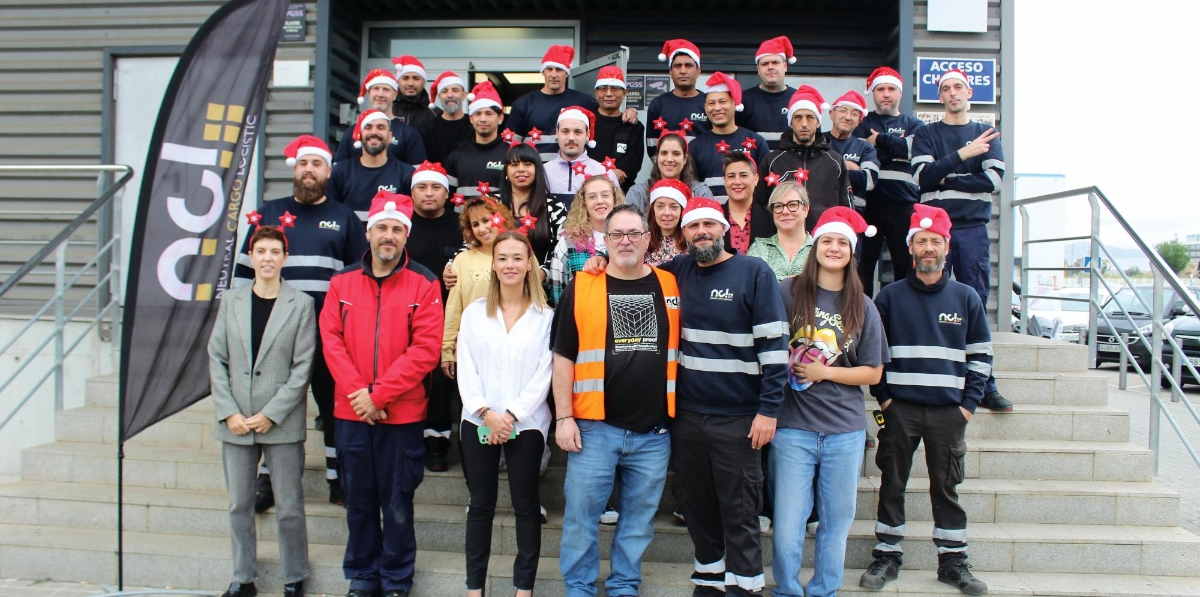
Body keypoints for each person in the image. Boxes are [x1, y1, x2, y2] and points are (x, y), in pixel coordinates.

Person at [860, 203, 993, 596]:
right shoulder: (889, 297)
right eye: (922, 240)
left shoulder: (967, 297)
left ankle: (952, 561)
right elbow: (874, 353)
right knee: (892, 483)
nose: (929, 247)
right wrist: (884, 400)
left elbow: (982, 356)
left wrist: (968, 406)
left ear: (947, 247)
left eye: (936, 241)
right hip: (899, 410)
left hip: (949, 413)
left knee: (946, 486)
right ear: (911, 247)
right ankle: (887, 555)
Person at [552, 203, 680, 597]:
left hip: (654, 431)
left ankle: (624, 585)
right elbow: (562, 357)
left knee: (639, 521)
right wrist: (563, 418)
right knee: (580, 517)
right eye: (617, 234)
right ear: (604, 242)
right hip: (594, 428)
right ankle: (579, 587)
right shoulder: (583, 284)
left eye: (634, 234)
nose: (626, 241)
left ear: (647, 239)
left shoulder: (671, 284)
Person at [320, 191, 444, 597]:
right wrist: (360, 393)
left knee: (396, 503)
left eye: (396, 229)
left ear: (406, 236)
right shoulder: (340, 283)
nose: (388, 236)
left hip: (401, 416)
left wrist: (380, 396)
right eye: (381, 228)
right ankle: (362, 575)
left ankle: (395, 578)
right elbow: (331, 342)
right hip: (351, 412)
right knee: (357, 500)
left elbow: (425, 350)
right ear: (368, 232)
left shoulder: (424, 283)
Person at [233, 136, 367, 508]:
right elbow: (246, 275)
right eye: (304, 163)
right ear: (295, 168)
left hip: (328, 333)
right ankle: (268, 481)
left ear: (329, 171)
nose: (310, 170)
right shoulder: (268, 213)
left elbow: (357, 280)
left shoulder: (345, 218)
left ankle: (337, 478)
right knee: (274, 404)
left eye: (317, 164)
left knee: (332, 407)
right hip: (275, 331)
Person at [665, 197, 789, 597]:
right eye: (692, 226)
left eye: (709, 225)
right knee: (697, 506)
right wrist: (599, 263)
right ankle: (709, 581)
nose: (701, 232)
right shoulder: (676, 272)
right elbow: (628, 274)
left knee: (739, 510)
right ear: (683, 234)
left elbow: (774, 348)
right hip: (686, 416)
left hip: (738, 418)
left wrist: (768, 411)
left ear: (725, 229)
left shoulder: (753, 271)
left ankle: (747, 586)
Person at [771, 207, 888, 597]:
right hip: (792, 427)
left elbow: (873, 373)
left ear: (851, 252)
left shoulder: (863, 305)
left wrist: (826, 373)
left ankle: (823, 590)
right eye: (827, 241)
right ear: (814, 245)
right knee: (788, 520)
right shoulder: (787, 291)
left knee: (836, 521)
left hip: (844, 431)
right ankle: (787, 589)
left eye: (842, 242)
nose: (834, 248)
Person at [210, 223, 314, 597]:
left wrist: (272, 412)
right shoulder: (230, 302)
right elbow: (216, 358)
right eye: (261, 251)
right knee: (239, 503)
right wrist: (228, 411)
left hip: (280, 422)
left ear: (284, 258)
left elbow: (303, 367)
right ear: (251, 257)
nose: (268, 258)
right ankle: (243, 577)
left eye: (275, 252)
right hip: (236, 421)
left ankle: (294, 576)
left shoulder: (300, 304)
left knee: (288, 505)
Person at [457, 230, 553, 597]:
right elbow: (466, 368)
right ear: (493, 265)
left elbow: (544, 372)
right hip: (477, 419)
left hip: (526, 424)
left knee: (526, 504)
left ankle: (523, 588)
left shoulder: (545, 317)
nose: (510, 264)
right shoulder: (474, 313)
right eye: (502, 258)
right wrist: (485, 411)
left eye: (517, 257)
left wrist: (510, 414)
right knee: (480, 504)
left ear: (529, 263)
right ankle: (474, 587)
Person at [910, 68, 1011, 412]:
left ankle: (985, 385)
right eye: (946, 88)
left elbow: (993, 181)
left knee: (975, 306)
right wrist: (966, 157)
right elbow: (923, 179)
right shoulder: (926, 133)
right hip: (933, 232)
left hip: (970, 230)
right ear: (939, 96)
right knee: (925, 300)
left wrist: (946, 175)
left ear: (969, 93)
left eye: (959, 87)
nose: (953, 93)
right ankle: (926, 374)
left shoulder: (987, 133)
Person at [404, 161, 464, 472]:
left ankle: (438, 444)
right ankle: (410, 439)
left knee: (440, 382)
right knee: (409, 380)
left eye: (436, 187)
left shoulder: (460, 225)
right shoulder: (400, 224)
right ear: (411, 192)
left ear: (447, 192)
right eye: (422, 187)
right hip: (403, 315)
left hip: (447, 317)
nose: (429, 194)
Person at [854, 66, 924, 296]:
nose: (886, 94)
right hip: (868, 207)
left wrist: (879, 139)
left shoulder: (914, 124)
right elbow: (859, 154)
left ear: (900, 93)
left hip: (904, 207)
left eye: (891, 89)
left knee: (905, 268)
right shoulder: (862, 123)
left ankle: (901, 319)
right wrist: (896, 146)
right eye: (880, 89)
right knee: (862, 268)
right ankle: (862, 321)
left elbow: (916, 148)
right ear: (872, 94)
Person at [442, 197, 517, 390]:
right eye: (475, 224)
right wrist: (447, 350)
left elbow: (536, 299)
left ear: (501, 218)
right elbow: (454, 308)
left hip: (515, 350)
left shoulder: (522, 253)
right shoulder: (462, 260)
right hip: (472, 352)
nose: (482, 228)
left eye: (486, 220)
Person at [754, 85, 849, 235]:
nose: (804, 123)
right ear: (790, 122)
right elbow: (759, 207)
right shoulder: (772, 161)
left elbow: (846, 208)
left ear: (818, 122)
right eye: (798, 117)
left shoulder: (834, 161)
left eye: (810, 117)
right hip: (781, 243)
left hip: (823, 242)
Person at [506, 45, 601, 160]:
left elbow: (610, 117)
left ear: (566, 73)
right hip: (535, 174)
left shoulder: (584, 101)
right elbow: (510, 146)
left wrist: (629, 111)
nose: (554, 75)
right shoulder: (523, 104)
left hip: (574, 172)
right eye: (549, 69)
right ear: (543, 72)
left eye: (559, 69)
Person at [689, 72, 768, 204]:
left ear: (734, 103)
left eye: (723, 101)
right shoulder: (695, 146)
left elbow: (766, 186)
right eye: (711, 103)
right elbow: (691, 187)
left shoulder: (757, 142)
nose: (717, 108)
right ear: (705, 107)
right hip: (709, 217)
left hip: (749, 219)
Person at [547, 175, 625, 306]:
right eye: (592, 197)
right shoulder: (568, 243)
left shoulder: (629, 238)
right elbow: (557, 294)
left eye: (605, 195)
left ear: (615, 200)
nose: (599, 201)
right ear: (584, 204)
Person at [498, 142, 568, 285]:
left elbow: (562, 247)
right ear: (506, 171)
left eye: (528, 164)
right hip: (495, 283)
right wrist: (452, 264)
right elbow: (471, 241)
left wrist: (544, 272)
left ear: (537, 170)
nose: (521, 169)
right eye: (514, 165)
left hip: (541, 286)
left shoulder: (555, 207)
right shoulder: (491, 204)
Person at [328, 109, 416, 223]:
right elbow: (330, 215)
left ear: (390, 137)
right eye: (368, 127)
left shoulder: (406, 174)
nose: (374, 132)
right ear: (360, 135)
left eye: (380, 127)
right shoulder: (340, 172)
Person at [334, 69, 425, 166]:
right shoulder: (352, 132)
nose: (380, 94)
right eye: (376, 88)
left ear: (395, 95)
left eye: (386, 89)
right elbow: (339, 169)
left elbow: (416, 172)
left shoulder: (409, 133)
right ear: (369, 94)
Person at [645, 39, 710, 157]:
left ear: (698, 71)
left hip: (701, 173)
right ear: (670, 72)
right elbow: (652, 145)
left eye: (689, 65)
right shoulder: (658, 104)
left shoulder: (709, 103)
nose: (683, 71)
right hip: (668, 172)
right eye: (677, 66)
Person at [544, 105, 619, 205]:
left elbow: (615, 212)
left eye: (577, 132)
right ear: (557, 133)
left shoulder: (603, 173)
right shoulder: (542, 172)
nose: (571, 137)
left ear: (587, 135)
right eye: (565, 131)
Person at [445, 81, 508, 198]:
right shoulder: (456, 156)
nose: (483, 119)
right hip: (462, 216)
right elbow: (447, 197)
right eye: (478, 114)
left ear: (500, 118)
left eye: (489, 114)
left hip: (499, 216)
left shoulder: (511, 154)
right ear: (471, 119)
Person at [587, 65, 644, 192]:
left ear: (624, 93)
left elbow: (633, 164)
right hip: (588, 189)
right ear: (596, 93)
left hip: (622, 191)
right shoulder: (585, 122)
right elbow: (582, 158)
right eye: (603, 89)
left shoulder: (634, 127)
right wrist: (609, 174)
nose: (608, 94)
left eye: (615, 89)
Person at [624, 131, 713, 212]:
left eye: (676, 154)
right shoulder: (638, 193)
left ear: (685, 159)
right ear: (657, 157)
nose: (669, 159)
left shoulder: (700, 192)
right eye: (664, 153)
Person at [738, 37, 798, 150]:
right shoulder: (743, 100)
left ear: (785, 66)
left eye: (775, 62)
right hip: (756, 165)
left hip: (791, 166)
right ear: (758, 69)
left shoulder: (799, 98)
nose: (770, 67)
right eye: (765, 64)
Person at [827, 91, 880, 214]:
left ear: (859, 121)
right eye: (843, 110)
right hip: (820, 209)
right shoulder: (817, 141)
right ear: (831, 114)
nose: (848, 117)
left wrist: (828, 167)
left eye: (854, 114)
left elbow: (869, 181)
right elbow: (811, 174)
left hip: (854, 213)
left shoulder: (866, 147)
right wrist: (850, 166)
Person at [747, 182, 812, 279]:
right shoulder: (759, 248)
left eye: (793, 204)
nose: (785, 211)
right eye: (778, 206)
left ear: (805, 210)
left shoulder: (818, 249)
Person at [721, 151, 768, 254]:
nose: (737, 182)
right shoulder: (715, 217)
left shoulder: (770, 217)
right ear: (724, 180)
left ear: (756, 179)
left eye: (743, 175)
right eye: (731, 176)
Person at [423, 71, 474, 165]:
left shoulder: (475, 125)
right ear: (439, 97)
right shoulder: (426, 129)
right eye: (444, 91)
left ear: (464, 95)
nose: (450, 95)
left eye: (455, 90)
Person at [644, 179, 689, 266]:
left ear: (682, 211)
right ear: (653, 210)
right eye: (660, 206)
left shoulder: (692, 244)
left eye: (674, 207)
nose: (667, 213)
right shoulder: (642, 241)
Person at [391, 55, 437, 139]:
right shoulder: (388, 110)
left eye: (416, 78)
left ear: (424, 83)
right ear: (398, 82)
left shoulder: (435, 114)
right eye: (405, 78)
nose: (410, 83)